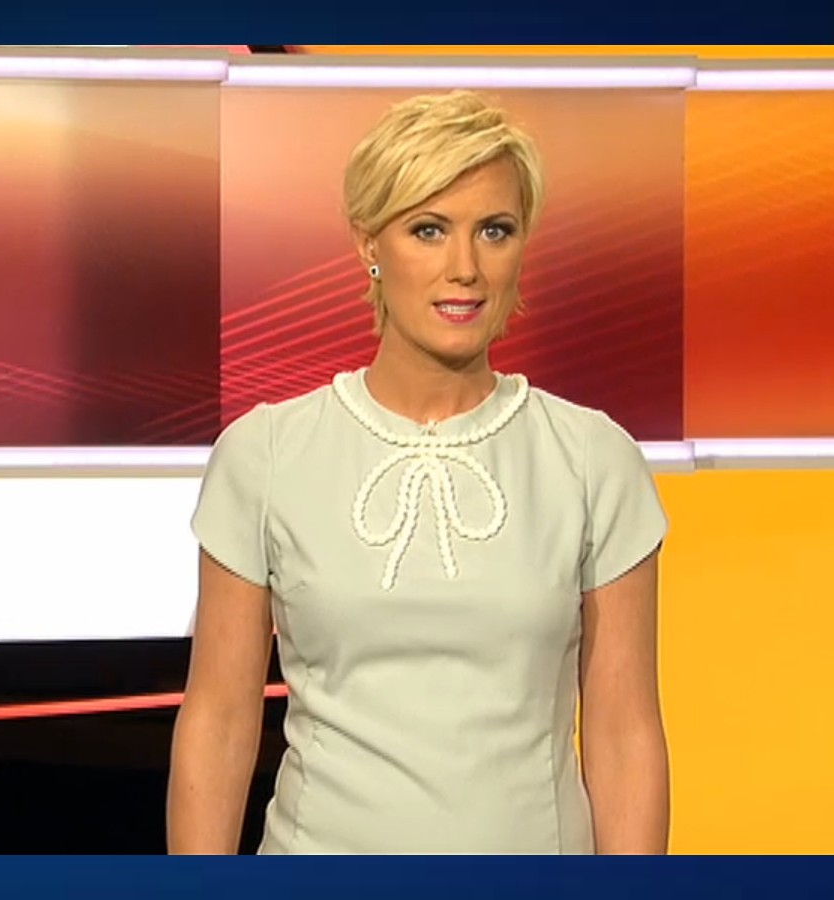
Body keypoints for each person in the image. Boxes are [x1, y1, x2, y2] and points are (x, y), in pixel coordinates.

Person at [167, 90, 670, 855]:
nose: (464, 269)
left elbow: (623, 730)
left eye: (494, 231)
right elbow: (219, 718)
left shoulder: (592, 458)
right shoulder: (266, 453)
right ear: (369, 243)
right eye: (429, 230)